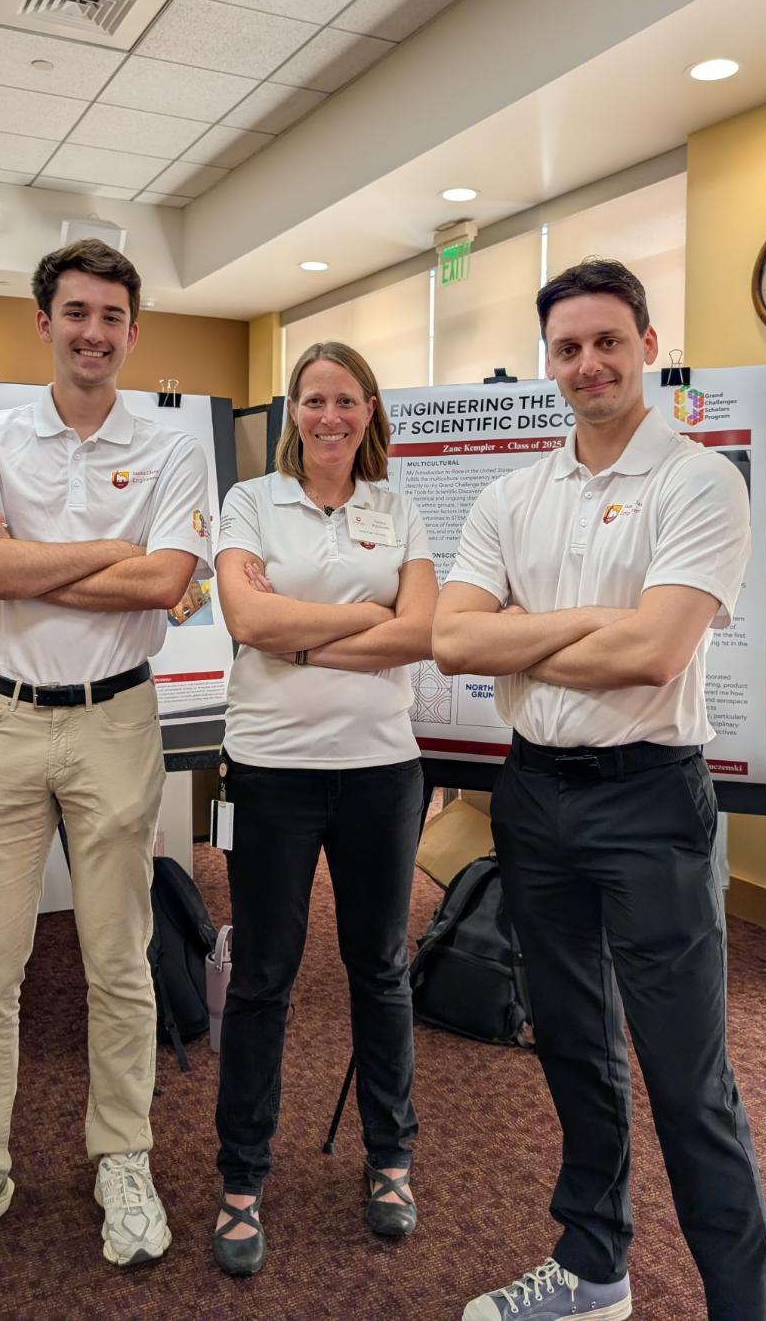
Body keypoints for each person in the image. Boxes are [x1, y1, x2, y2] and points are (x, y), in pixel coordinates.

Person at [434, 261, 766, 1321]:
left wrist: (523, 640)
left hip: (647, 805)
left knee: (685, 1078)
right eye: (566, 347)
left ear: (645, 344)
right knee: (573, 1047)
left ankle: (742, 1304)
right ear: (548, 361)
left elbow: (653, 655)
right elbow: (450, 638)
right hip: (533, 795)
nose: (586, 363)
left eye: (606, 342)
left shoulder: (698, 479)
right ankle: (593, 1270)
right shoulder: (510, 494)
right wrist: (594, 629)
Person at [0, 239, 209, 1284]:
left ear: (132, 329)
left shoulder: (170, 446)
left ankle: (121, 1154)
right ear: (43, 321)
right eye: (75, 312)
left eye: (112, 316)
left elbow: (167, 578)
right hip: (8, 723)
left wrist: (30, 566)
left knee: (119, 962)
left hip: (120, 720)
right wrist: (108, 558)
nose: (93, 332)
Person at [210, 340, 438, 1275]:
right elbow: (246, 622)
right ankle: (240, 1177)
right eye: (313, 400)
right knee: (264, 974)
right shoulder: (250, 503)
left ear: (370, 410)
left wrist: (299, 640)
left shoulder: (401, 509)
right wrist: (364, 623)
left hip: (383, 770)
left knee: (380, 968)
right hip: (271, 769)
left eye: (347, 400)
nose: (330, 417)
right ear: (291, 413)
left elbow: (423, 634)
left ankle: (390, 1158)